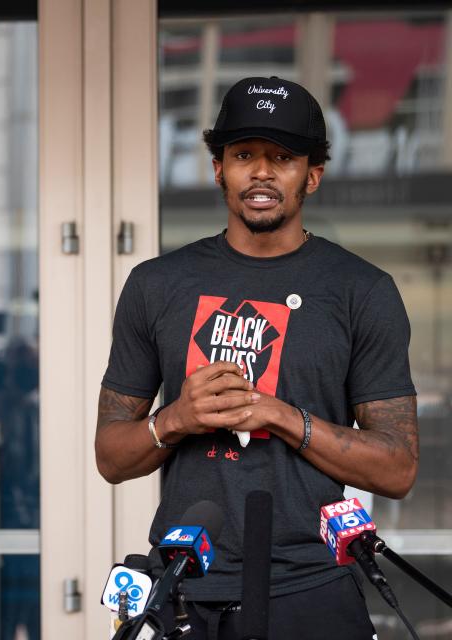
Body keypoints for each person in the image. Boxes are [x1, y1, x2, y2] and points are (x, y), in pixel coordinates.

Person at [95, 76, 417, 639]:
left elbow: (398, 467)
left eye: (283, 157)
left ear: (312, 175)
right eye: (243, 154)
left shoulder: (361, 291)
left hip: (311, 588)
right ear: (219, 168)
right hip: (184, 587)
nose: (261, 172)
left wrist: (283, 417)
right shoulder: (156, 284)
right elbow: (111, 458)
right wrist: (177, 419)